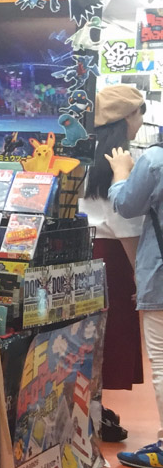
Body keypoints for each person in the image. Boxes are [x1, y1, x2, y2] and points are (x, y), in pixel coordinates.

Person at [80, 84, 147, 442]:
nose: (141, 121)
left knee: (84, 337)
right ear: (126, 118)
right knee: (109, 337)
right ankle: (93, 411)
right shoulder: (123, 162)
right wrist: (142, 274)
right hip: (114, 259)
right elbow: (127, 225)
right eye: (139, 113)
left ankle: (88, 409)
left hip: (82, 254)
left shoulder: (82, 156)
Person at [105, 104, 163, 468]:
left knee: (162, 360)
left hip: (160, 276)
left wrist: (121, 174)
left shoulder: (155, 160)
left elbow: (125, 206)